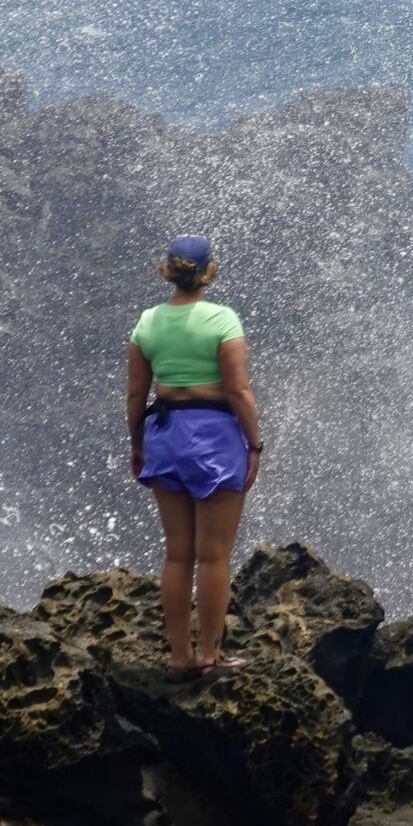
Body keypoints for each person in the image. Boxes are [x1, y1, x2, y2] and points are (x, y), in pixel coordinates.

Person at [127, 236, 264, 679]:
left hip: (164, 435)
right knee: (213, 556)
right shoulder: (222, 319)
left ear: (167, 269)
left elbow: (135, 394)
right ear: (208, 271)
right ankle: (209, 656)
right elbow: (238, 390)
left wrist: (137, 443)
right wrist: (255, 444)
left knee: (177, 555)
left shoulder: (147, 322)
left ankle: (178, 658)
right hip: (214, 437)